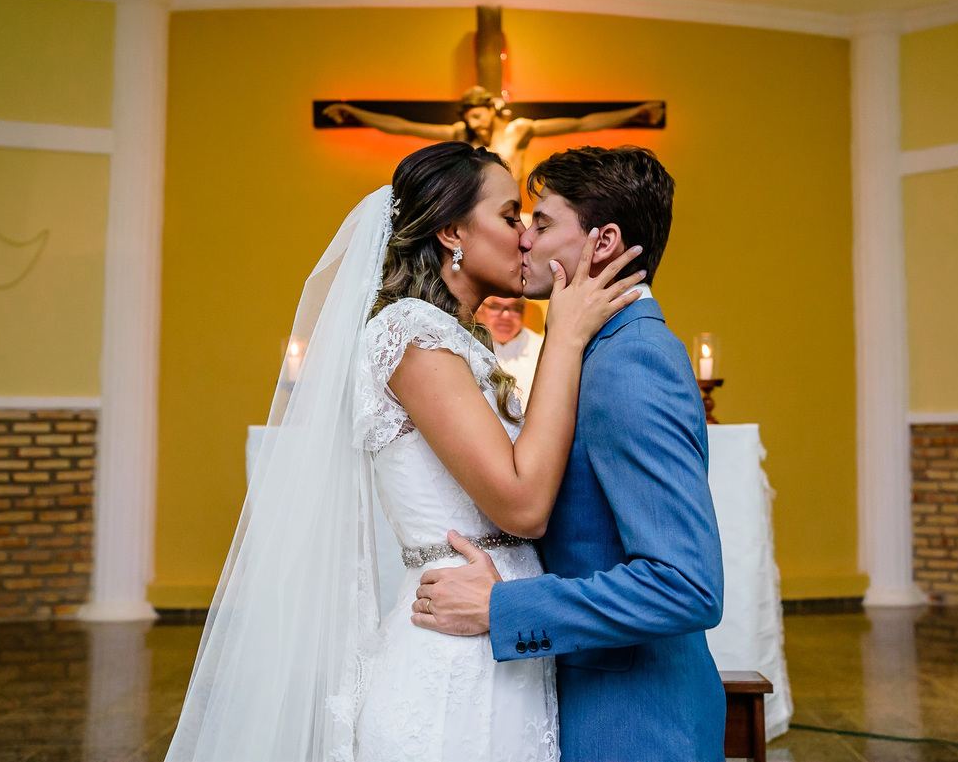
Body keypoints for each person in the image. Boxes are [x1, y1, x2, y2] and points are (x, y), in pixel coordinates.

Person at [164, 141, 644, 762]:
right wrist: (566, 336)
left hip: (497, 638)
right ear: (451, 232)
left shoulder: (456, 342)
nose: (525, 236)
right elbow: (522, 506)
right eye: (508, 216)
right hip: (452, 665)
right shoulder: (409, 334)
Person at [411, 146, 727, 762]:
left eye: (543, 223)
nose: (523, 240)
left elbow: (687, 585)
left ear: (602, 242)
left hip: (634, 724)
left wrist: (502, 606)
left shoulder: (631, 361)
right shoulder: (592, 350)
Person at [323, 86, 665, 187]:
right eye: (469, 119)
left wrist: (634, 112)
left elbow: (582, 123)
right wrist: (353, 112)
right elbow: (401, 126)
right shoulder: (460, 135)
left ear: (490, 108)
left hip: (512, 205)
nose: (475, 125)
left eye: (478, 115)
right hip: (475, 204)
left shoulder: (520, 130)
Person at [476, 296, 544, 405]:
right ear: (478, 310)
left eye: (515, 308)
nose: (506, 315)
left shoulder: (544, 349)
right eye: (495, 307)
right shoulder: (462, 346)